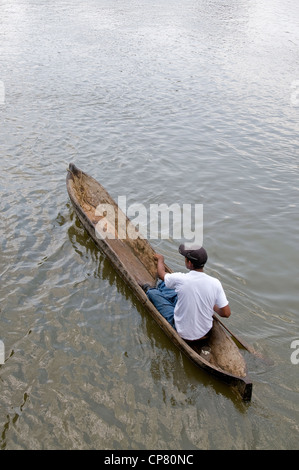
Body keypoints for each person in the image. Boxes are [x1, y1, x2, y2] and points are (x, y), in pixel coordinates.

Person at [145, 244, 231, 343]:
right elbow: (226, 313)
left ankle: (155, 290)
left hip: (183, 332)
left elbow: (161, 274)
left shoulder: (181, 279)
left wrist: (161, 260)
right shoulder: (215, 283)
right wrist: (212, 305)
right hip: (205, 332)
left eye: (185, 259)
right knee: (173, 288)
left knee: (153, 292)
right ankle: (164, 291)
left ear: (189, 263)